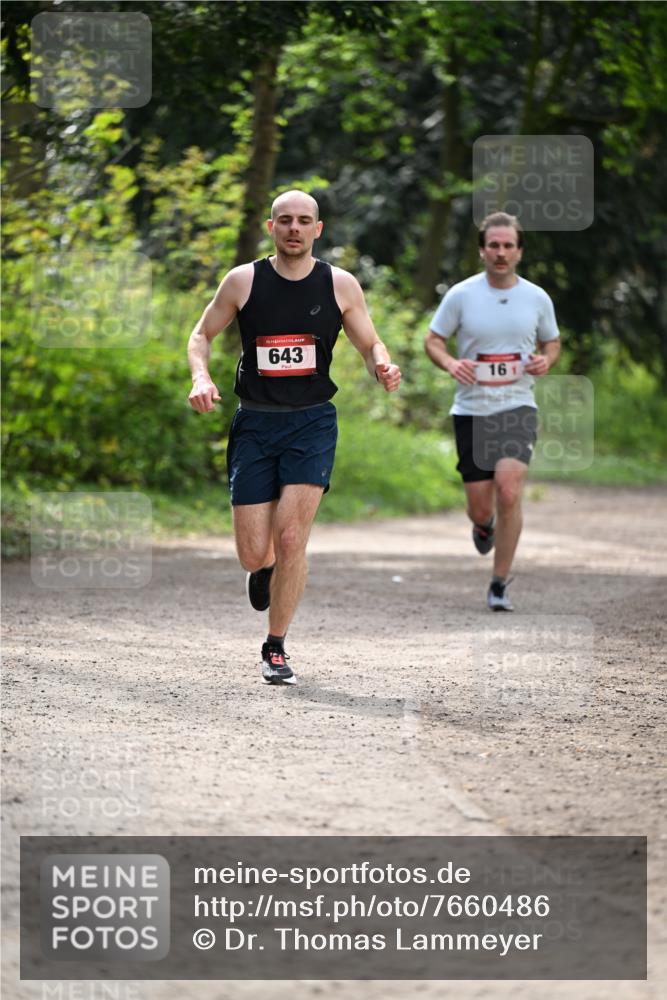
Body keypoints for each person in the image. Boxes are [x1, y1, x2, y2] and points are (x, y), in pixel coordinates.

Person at [188, 189, 401, 684]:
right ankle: (261, 570)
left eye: (304, 221)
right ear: (271, 227)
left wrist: (382, 365)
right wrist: (201, 377)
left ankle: (276, 645)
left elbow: (370, 343)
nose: (294, 228)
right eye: (284, 220)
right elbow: (201, 335)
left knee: (291, 538)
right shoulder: (243, 281)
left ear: (318, 229)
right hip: (256, 423)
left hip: (312, 423)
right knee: (253, 550)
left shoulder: (340, 284)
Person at [424, 211, 560, 611]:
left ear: (519, 251)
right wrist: (451, 363)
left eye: (508, 246)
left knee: (509, 488)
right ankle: (484, 527)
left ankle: (500, 581)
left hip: (518, 406)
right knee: (481, 506)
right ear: (483, 250)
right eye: (494, 246)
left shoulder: (536, 297)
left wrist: (546, 361)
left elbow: (553, 343)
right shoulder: (461, 295)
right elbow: (433, 340)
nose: (501, 253)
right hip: (471, 410)